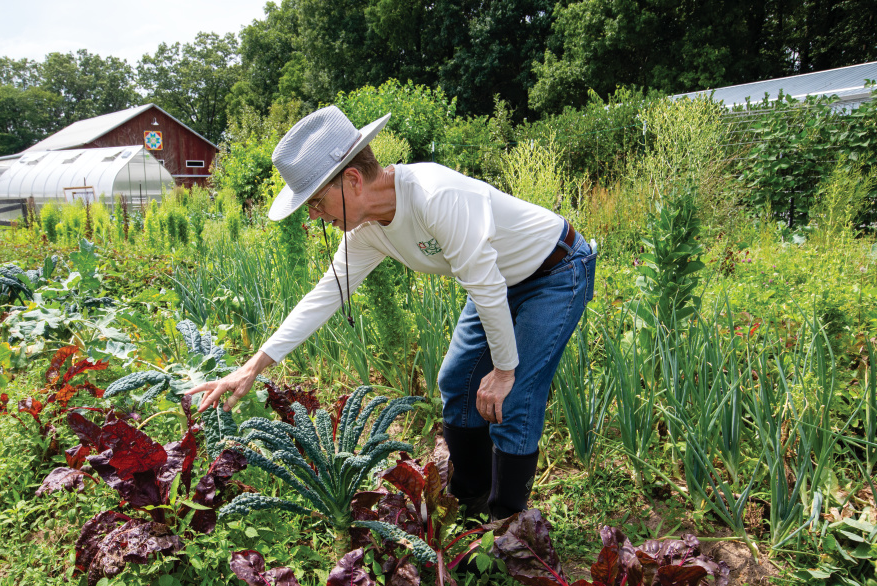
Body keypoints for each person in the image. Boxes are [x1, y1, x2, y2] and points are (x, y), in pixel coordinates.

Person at [186, 106, 595, 521]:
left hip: (555, 270)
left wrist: (506, 371)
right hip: (491, 280)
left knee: (515, 398)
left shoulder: (436, 197)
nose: (313, 215)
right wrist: (253, 366)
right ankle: (470, 506)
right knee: (457, 379)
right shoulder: (366, 230)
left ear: (352, 180)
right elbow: (326, 294)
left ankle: (508, 526)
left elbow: (485, 287)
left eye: (315, 201)